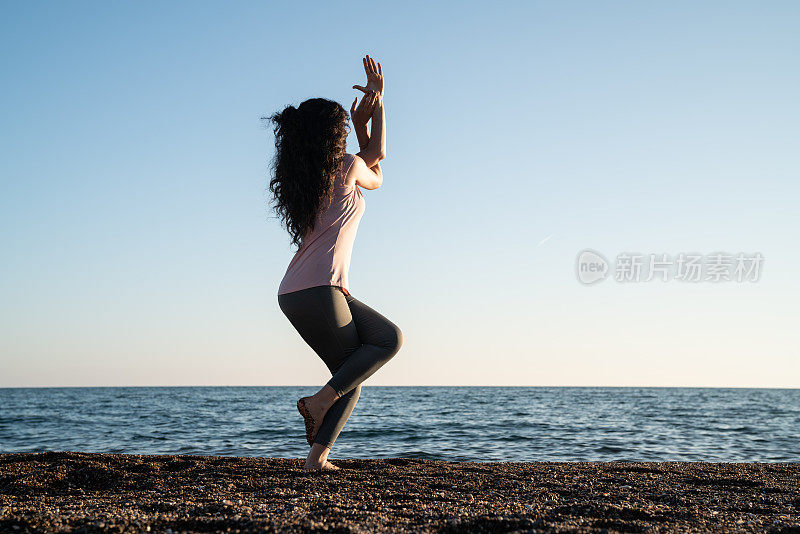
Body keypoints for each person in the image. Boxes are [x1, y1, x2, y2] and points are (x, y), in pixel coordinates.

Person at [267, 55, 402, 471]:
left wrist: (363, 128)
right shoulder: (347, 167)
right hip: (317, 290)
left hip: (304, 291)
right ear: (332, 136)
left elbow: (371, 162)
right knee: (369, 356)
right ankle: (318, 407)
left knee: (363, 360)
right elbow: (377, 161)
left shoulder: (312, 178)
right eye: (343, 129)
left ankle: (316, 457)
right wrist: (377, 104)